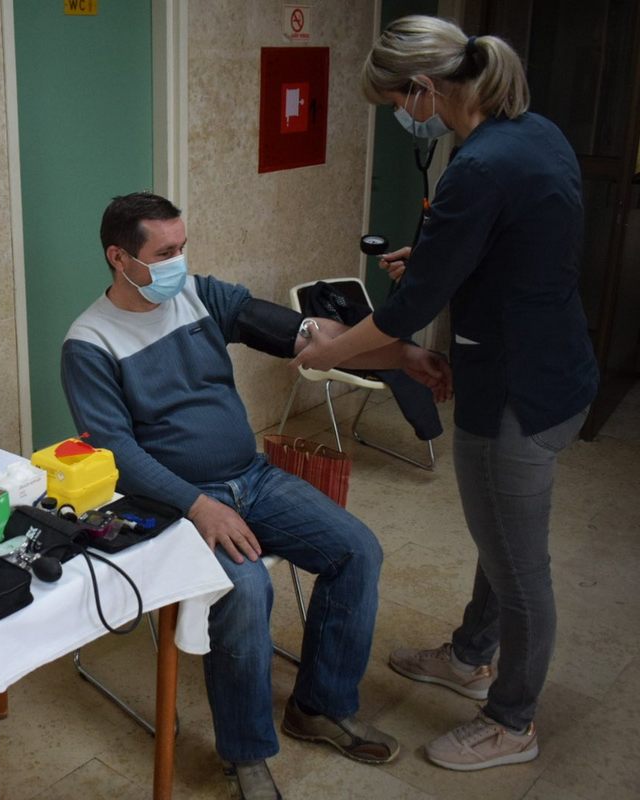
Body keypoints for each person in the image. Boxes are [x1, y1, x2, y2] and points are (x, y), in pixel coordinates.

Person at [61, 192, 448, 799]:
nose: (179, 262)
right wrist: (199, 506)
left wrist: (405, 356)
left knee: (357, 550)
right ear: (119, 257)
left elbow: (305, 332)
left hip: (253, 477)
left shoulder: (200, 296)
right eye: (165, 253)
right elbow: (118, 456)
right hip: (178, 504)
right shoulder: (89, 342)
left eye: (182, 247)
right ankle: (244, 754)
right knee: (246, 590)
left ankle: (319, 707)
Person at [291, 16, 599, 772]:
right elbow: (518, 247)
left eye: (398, 101)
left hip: (516, 393)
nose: (402, 116)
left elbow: (402, 315)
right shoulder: (534, 135)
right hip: (560, 370)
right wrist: (436, 258)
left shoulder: (480, 165)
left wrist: (331, 349)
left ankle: (512, 722)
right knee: (501, 537)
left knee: (519, 567)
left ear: (424, 88)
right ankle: (468, 656)